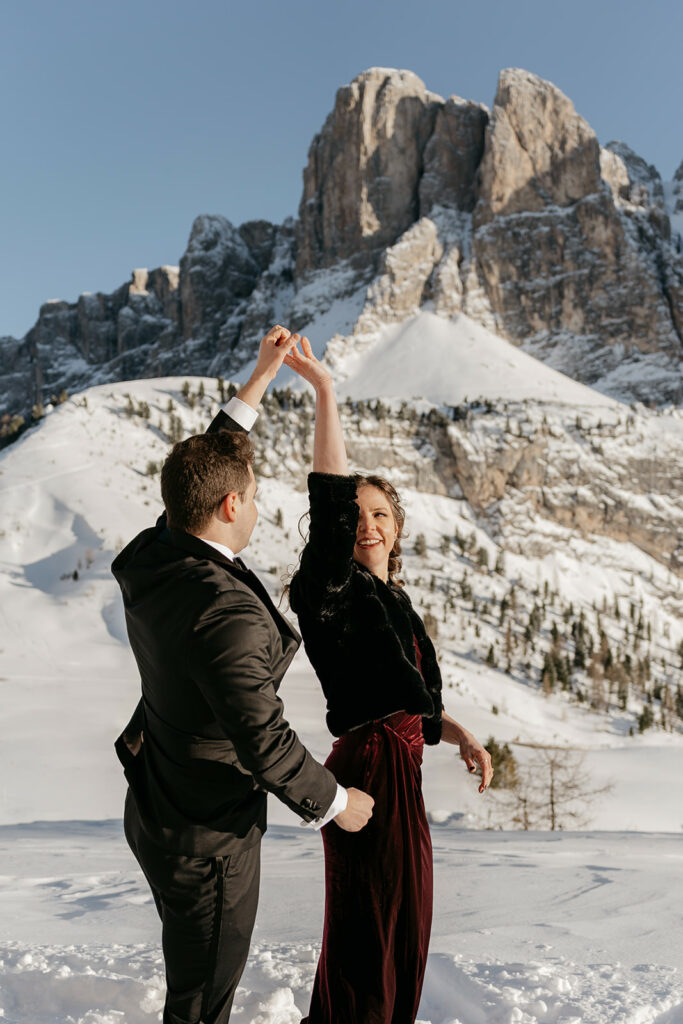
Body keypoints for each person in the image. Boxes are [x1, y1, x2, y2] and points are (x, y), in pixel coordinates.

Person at [112, 325, 374, 1024]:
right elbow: (261, 736)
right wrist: (335, 802)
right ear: (232, 507)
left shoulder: (152, 554)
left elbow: (200, 468)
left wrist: (260, 378)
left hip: (154, 806)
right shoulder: (224, 613)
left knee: (190, 971)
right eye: (253, 496)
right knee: (201, 999)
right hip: (207, 841)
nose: (257, 505)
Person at [284, 336, 494, 1024]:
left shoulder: (395, 603)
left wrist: (451, 730)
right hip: (368, 769)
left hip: (401, 768)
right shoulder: (331, 589)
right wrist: (325, 393)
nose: (366, 524)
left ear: (398, 530)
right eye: (357, 515)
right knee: (363, 940)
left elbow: (408, 698)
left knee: (403, 936)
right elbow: (329, 500)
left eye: (381, 514)